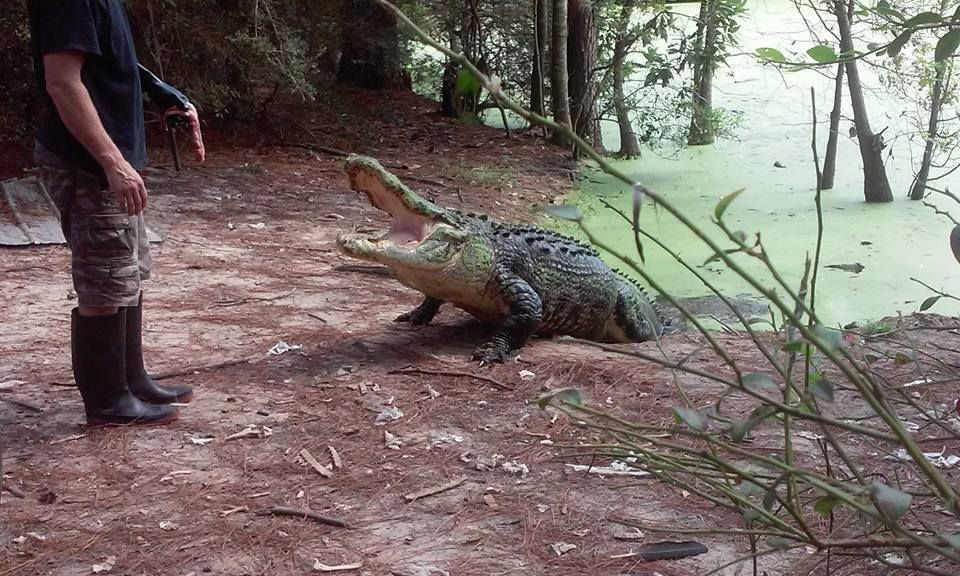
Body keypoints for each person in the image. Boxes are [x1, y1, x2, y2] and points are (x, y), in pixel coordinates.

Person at [27, 0, 206, 427]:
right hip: (87, 164)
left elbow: (106, 61)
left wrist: (160, 92)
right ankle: (108, 401)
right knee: (104, 279)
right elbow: (63, 83)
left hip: (109, 161)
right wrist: (112, 162)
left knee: (125, 270)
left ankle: (131, 379)